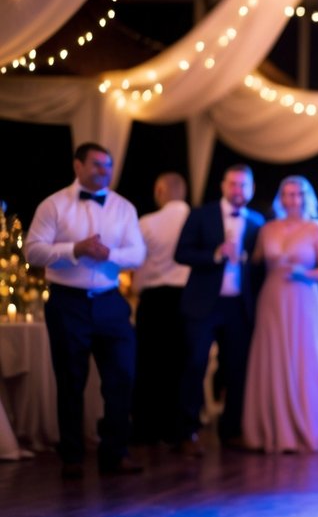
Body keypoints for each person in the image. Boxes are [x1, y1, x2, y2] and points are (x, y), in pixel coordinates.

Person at [25, 142, 147, 477]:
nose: (103, 171)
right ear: (77, 166)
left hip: (110, 301)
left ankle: (115, 452)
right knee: (70, 381)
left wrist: (110, 255)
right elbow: (32, 252)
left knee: (122, 377)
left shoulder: (123, 207)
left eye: (107, 165)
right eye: (96, 164)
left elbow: (137, 254)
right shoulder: (54, 204)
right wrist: (74, 249)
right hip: (68, 301)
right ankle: (73, 457)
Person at [242, 176, 318, 453]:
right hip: (272, 299)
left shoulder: (317, 229)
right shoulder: (267, 229)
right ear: (280, 198)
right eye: (287, 194)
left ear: (306, 198)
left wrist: (305, 274)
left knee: (305, 358)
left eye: (297, 194)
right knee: (273, 358)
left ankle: (311, 425)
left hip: (304, 298)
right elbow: (256, 261)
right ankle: (272, 429)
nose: (292, 199)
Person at [175, 164, 264, 453]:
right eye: (234, 184)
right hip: (203, 304)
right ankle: (187, 432)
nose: (238, 190)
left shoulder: (257, 222)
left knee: (237, 370)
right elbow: (181, 252)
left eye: (244, 185)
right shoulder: (201, 214)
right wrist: (214, 254)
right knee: (194, 365)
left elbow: (261, 267)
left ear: (251, 190)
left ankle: (231, 431)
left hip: (239, 306)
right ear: (223, 186)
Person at [131, 171, 190, 446]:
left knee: (149, 364)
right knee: (181, 365)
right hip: (188, 300)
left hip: (154, 301)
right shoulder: (197, 220)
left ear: (159, 190)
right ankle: (179, 430)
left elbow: (139, 267)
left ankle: (146, 429)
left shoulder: (147, 222)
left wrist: (136, 292)